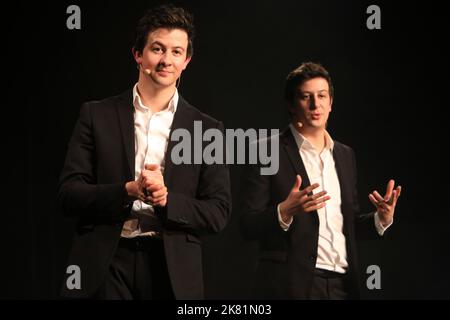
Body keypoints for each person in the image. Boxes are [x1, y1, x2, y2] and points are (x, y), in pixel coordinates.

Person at [58, 4, 231, 300]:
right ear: (138, 54)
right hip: (106, 263)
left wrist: (168, 200)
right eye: (157, 49)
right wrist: (127, 190)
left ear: (186, 60)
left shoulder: (208, 129)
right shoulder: (96, 115)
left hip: (171, 269)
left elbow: (218, 212)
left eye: (177, 52)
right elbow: (68, 194)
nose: (167, 60)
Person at [239, 62, 401, 299]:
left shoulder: (345, 155)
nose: (316, 105)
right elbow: (246, 225)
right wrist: (283, 211)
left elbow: (346, 224)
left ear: (331, 103)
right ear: (291, 105)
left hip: (342, 285)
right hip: (290, 285)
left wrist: (380, 219)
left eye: (322, 96)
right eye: (306, 97)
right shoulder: (266, 151)